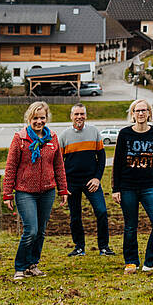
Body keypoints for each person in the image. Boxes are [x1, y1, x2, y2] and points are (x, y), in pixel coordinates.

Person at [3, 101, 68, 281]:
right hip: (25, 192)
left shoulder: (52, 138)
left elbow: (58, 166)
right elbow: (11, 167)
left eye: (42, 118)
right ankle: (20, 267)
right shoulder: (20, 138)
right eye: (35, 118)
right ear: (29, 118)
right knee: (31, 230)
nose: (39, 121)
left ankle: (33, 265)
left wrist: (63, 189)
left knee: (41, 231)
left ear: (47, 119)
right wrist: (7, 193)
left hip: (47, 191)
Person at [112, 98, 153, 274]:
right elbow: (118, 162)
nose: (141, 113)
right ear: (133, 114)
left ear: (149, 113)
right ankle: (131, 262)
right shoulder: (125, 133)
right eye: (137, 110)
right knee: (130, 226)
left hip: (149, 187)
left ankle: (150, 260)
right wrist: (115, 189)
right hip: (127, 186)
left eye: (144, 110)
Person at [59, 103, 114, 257]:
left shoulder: (94, 132)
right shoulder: (64, 136)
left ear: (86, 115)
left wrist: (97, 178)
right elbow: (58, 163)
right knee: (75, 216)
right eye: (76, 114)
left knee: (101, 211)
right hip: (72, 183)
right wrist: (63, 184)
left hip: (91, 181)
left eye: (82, 114)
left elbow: (102, 157)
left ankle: (104, 247)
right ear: (71, 116)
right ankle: (79, 247)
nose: (79, 117)